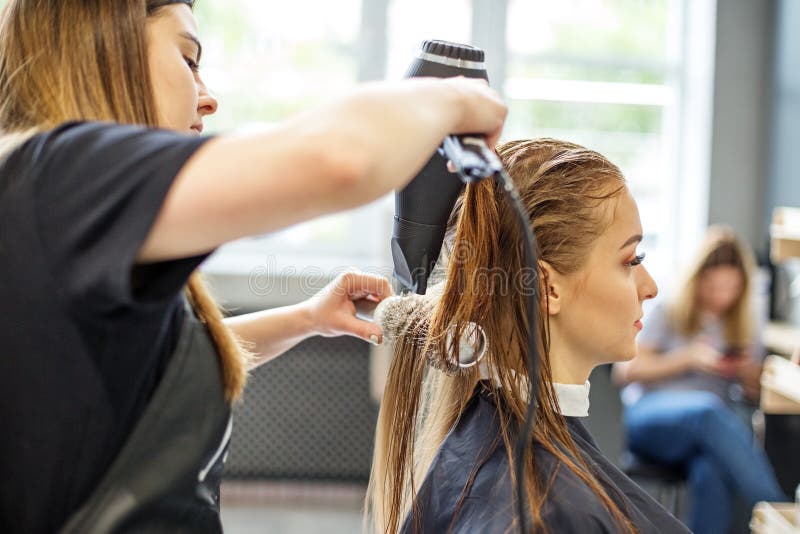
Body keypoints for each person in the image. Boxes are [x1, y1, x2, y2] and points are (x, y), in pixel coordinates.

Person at [0, 1, 507, 532]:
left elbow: (167, 361)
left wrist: (307, 318)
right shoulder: (60, 183)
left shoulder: (65, 210)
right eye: (188, 58)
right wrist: (455, 95)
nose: (208, 96)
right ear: (105, 50)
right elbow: (342, 160)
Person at [366, 138, 690, 533]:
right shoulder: (548, 513)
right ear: (547, 288)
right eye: (631, 260)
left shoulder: (502, 458)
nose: (650, 286)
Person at [612, 226, 786, 534]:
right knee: (707, 411)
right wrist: (689, 358)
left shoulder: (744, 321)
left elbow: (751, 392)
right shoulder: (670, 308)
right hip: (653, 418)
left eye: (729, 289)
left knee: (712, 470)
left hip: (710, 431)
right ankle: (780, 510)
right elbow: (625, 372)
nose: (720, 297)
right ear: (697, 281)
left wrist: (746, 374)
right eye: (713, 287)